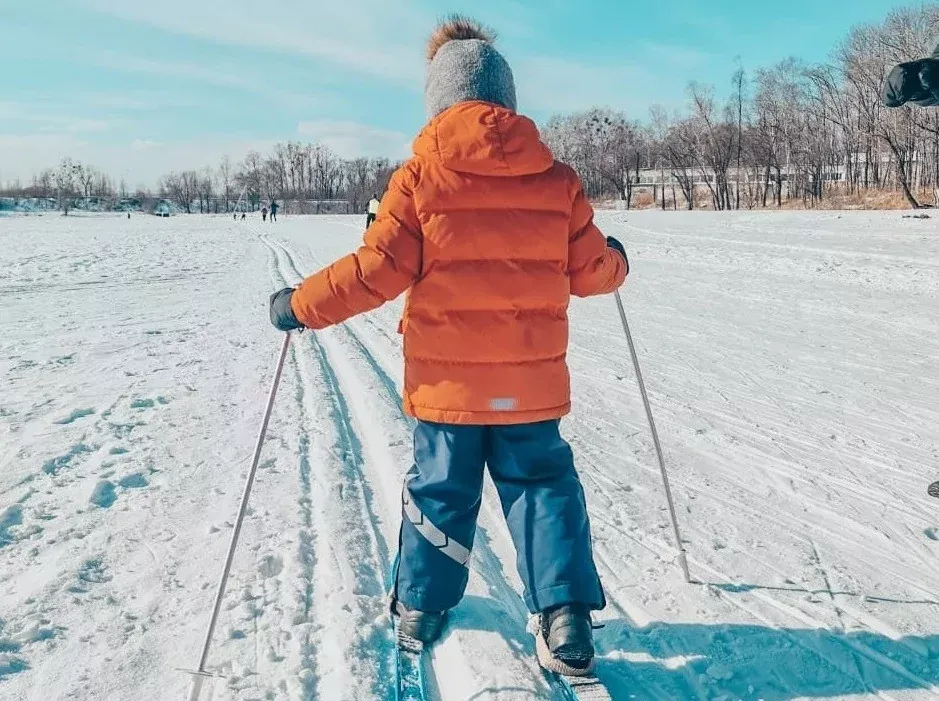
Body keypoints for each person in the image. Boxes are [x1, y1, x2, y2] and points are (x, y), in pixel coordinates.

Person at [268, 15, 627, 676]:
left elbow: (375, 272)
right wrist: (616, 260)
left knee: (440, 490)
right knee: (543, 487)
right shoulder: (557, 181)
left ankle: (422, 606)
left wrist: (298, 304)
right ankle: (566, 613)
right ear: (506, 100)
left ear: (437, 100)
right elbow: (591, 273)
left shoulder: (419, 180)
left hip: (446, 390)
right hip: (529, 388)